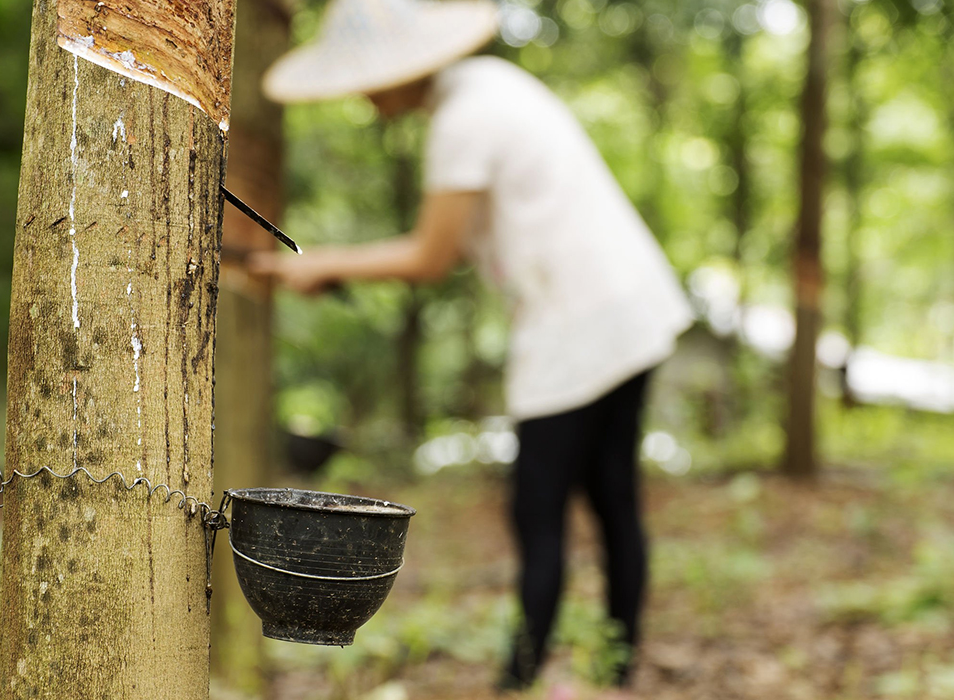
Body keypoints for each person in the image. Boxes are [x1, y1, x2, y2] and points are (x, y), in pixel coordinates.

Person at [251, 0, 693, 694]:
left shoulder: (464, 117)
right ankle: (616, 670)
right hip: (628, 307)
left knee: (538, 510)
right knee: (611, 497)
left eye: (369, 81)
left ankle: (516, 683)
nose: (366, 97)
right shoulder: (491, 88)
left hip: (579, 323)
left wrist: (322, 263)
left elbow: (432, 255)